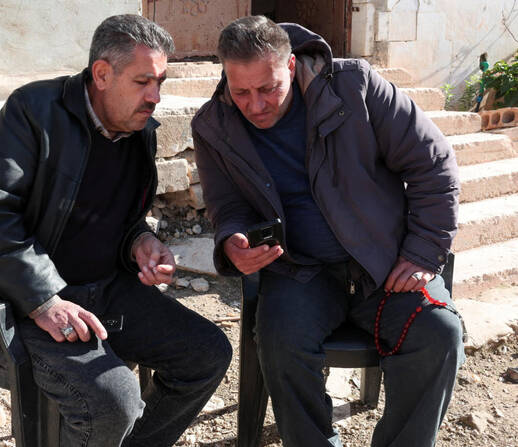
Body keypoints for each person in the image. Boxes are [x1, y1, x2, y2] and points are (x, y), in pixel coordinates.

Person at [0, 14, 231, 446]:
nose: (155, 96)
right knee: (113, 402)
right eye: (143, 82)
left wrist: (140, 242)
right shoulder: (33, 112)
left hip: (103, 291)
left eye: (160, 82)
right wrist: (44, 300)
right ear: (102, 74)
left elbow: (121, 217)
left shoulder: (138, 129)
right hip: (17, 303)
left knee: (207, 354)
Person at [191, 15, 464, 447]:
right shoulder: (214, 125)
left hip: (383, 265)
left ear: (291, 65)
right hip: (300, 272)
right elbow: (227, 206)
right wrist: (233, 243)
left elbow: (433, 164)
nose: (255, 105)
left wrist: (424, 250)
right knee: (280, 345)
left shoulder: (355, 86)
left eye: (268, 89)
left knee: (439, 334)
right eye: (241, 92)